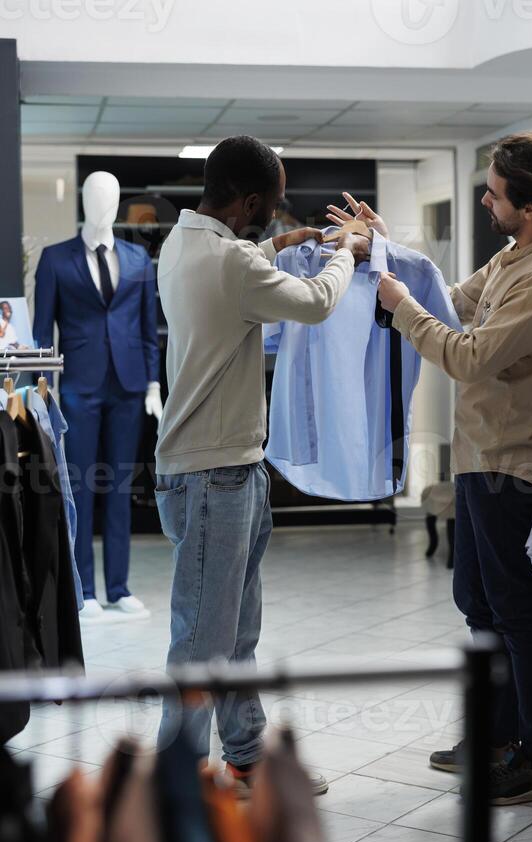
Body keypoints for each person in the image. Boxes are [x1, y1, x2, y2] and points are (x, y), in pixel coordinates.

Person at [332, 131, 532, 806]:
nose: (485, 199)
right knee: (479, 602)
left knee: (516, 611)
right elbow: (451, 299)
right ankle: (499, 738)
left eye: (496, 193)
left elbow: (469, 355)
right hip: (481, 453)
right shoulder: (515, 256)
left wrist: (399, 305)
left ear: (529, 208)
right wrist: (382, 250)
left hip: (514, 462)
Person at [155, 135, 368, 795]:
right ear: (247, 202)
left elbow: (241, 261)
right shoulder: (230, 265)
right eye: (271, 210)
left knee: (233, 629)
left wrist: (278, 245)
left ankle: (245, 756)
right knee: (201, 640)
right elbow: (315, 303)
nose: (275, 219)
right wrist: (348, 252)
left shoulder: (183, 243)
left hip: (223, 467)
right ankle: (178, 780)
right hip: (214, 474)